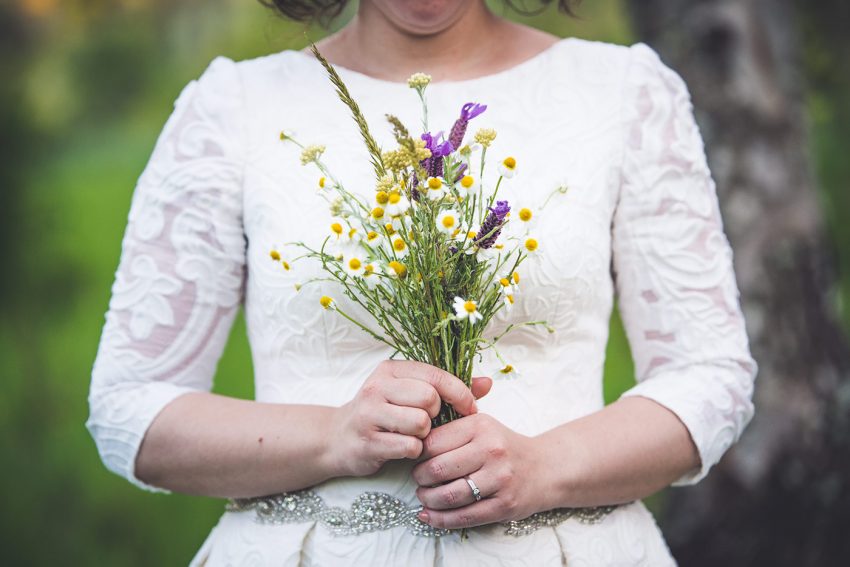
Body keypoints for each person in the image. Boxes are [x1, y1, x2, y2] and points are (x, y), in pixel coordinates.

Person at [85, 0, 758, 564]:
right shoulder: (234, 106)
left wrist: (545, 465)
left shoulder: (622, 91)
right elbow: (130, 406)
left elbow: (709, 374)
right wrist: (332, 435)